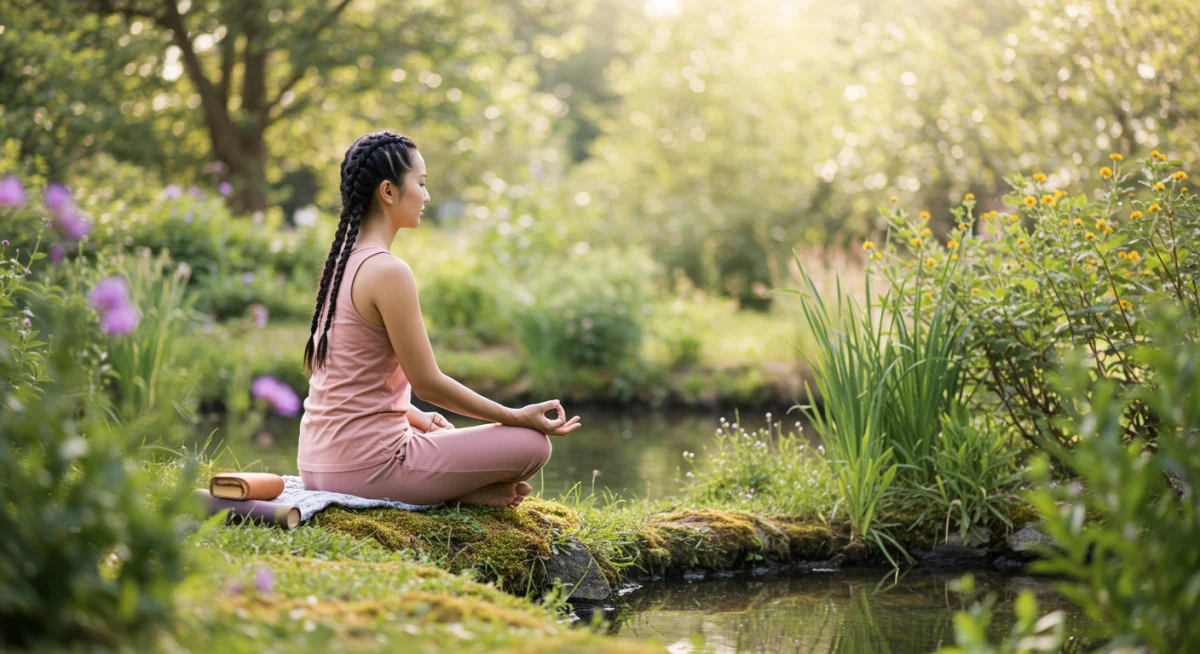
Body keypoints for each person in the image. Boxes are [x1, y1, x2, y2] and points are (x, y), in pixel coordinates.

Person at [297, 131, 581, 508]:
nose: (427, 196)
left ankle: (469, 492)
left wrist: (420, 420)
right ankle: (460, 493)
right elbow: (428, 383)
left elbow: (350, 383)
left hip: (317, 463)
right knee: (532, 444)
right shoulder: (387, 271)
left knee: (443, 434)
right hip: (369, 467)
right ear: (388, 191)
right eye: (421, 183)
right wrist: (514, 416)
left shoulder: (340, 264)